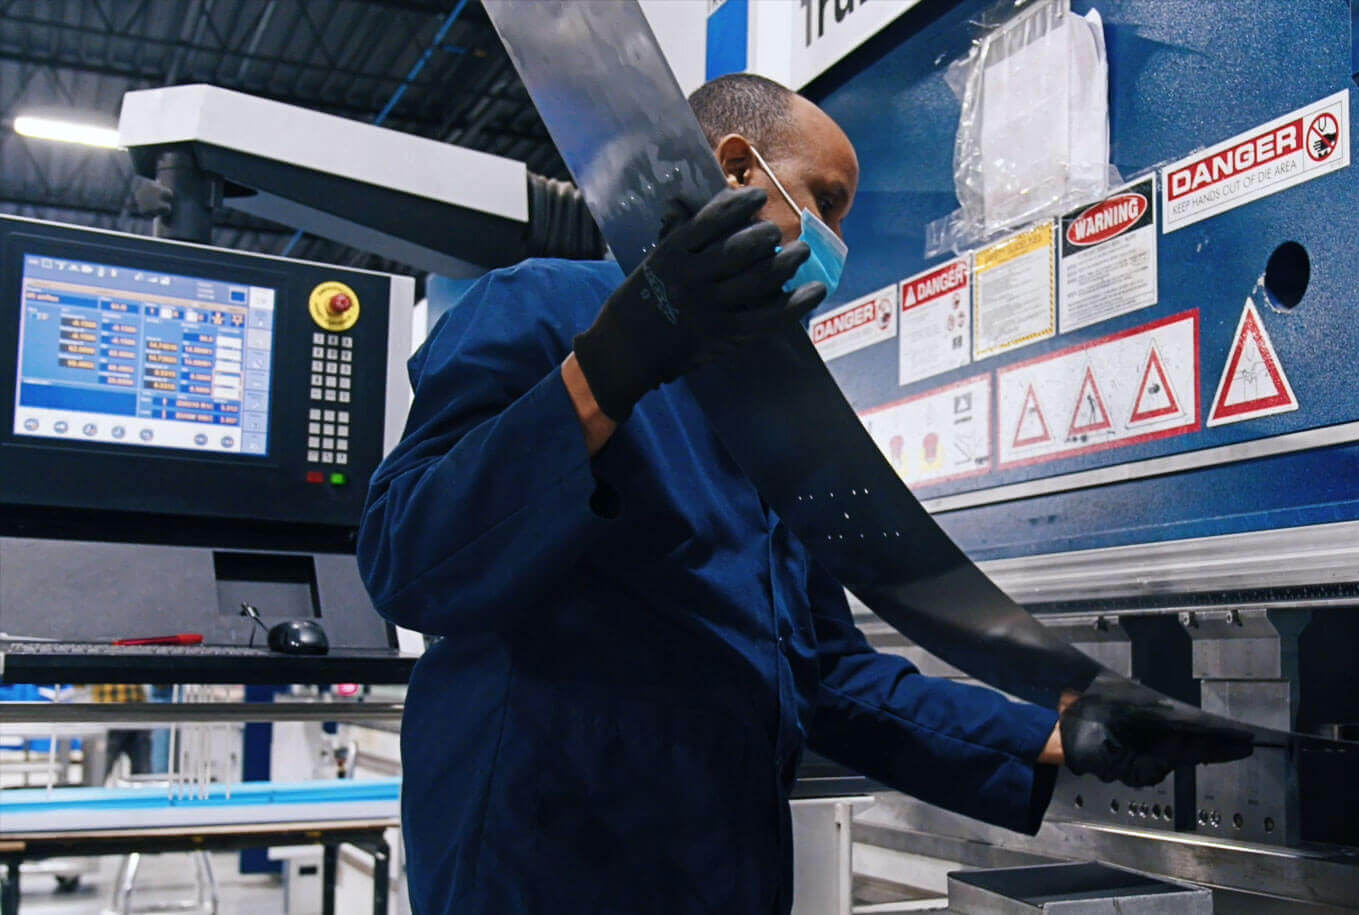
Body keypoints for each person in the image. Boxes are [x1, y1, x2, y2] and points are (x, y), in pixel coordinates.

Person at [358, 73, 1250, 914]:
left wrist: (1060, 732)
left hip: (720, 872)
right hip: (543, 868)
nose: (837, 244)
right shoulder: (541, 307)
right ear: (737, 171)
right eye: (823, 201)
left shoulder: (778, 410)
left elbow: (829, 677)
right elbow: (408, 556)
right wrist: (612, 367)